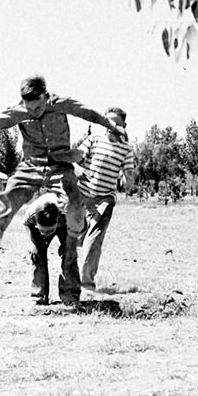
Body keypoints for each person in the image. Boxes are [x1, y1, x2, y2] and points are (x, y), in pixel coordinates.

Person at [0, 74, 128, 292]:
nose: (34, 112)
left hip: (60, 164)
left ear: (46, 96)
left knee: (73, 198)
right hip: (32, 166)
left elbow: (88, 113)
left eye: (38, 108)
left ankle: (73, 242)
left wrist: (111, 124)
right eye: (29, 109)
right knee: (5, 201)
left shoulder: (61, 103)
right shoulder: (19, 110)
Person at [75, 107, 136, 293]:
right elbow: (75, 160)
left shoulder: (126, 149)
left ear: (123, 126)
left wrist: (129, 179)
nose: (111, 126)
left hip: (105, 199)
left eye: (116, 122)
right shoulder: (93, 140)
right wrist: (77, 169)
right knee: (78, 239)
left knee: (93, 242)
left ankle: (86, 284)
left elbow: (129, 177)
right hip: (83, 196)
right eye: (108, 121)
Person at [22, 192, 75, 306]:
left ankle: (70, 297)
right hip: (39, 225)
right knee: (37, 255)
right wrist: (34, 244)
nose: (46, 235)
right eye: (43, 231)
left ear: (57, 220)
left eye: (49, 231)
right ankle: (38, 297)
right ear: (37, 223)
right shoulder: (31, 215)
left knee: (70, 255)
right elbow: (26, 225)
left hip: (67, 225)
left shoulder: (68, 211)